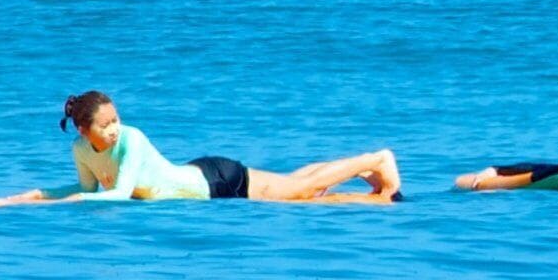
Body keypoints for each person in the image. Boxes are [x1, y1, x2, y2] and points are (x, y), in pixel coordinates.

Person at [53, 91, 401, 203]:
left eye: (116, 119)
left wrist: (80, 200)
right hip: (204, 175)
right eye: (106, 125)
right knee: (296, 186)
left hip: (218, 181)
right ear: (84, 131)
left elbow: (121, 190)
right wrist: (36, 196)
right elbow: (86, 188)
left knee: (302, 192)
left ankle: (376, 159)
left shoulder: (132, 138)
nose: (115, 128)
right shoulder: (81, 151)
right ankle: (366, 170)